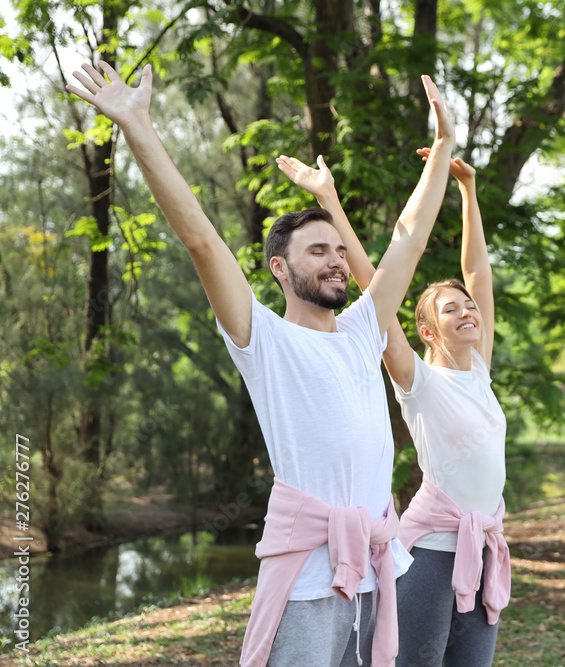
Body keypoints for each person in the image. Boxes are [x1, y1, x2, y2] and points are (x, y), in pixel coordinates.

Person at [67, 61, 457, 667]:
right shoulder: (262, 338)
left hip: (376, 573)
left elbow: (408, 239)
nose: (335, 261)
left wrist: (443, 152)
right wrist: (137, 126)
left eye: (338, 249)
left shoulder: (363, 329)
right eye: (317, 251)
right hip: (307, 579)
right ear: (280, 268)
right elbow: (200, 239)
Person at [278, 148, 509, 667]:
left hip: (486, 548)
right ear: (428, 331)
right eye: (453, 309)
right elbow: (370, 282)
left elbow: (479, 273)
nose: (469, 310)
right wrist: (328, 199)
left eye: (469, 306)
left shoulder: (480, 370)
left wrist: (469, 192)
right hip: (429, 555)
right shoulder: (417, 378)